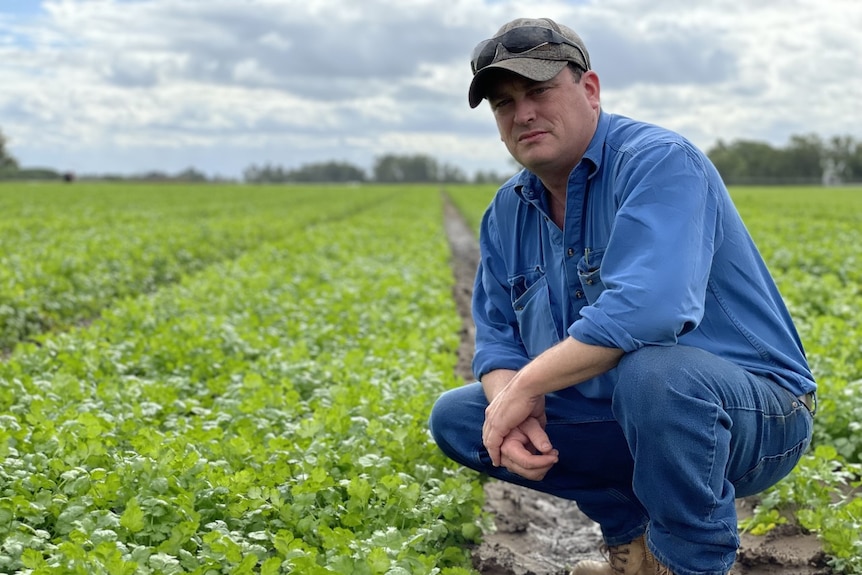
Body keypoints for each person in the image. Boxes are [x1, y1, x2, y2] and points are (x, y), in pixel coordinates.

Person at [428, 17, 816, 575]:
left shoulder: (658, 162)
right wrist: (506, 402)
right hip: (627, 412)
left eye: (538, 90)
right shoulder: (506, 212)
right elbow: (497, 339)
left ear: (589, 90)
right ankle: (631, 545)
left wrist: (528, 387)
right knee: (464, 418)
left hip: (755, 412)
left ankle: (690, 562)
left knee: (657, 375)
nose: (523, 114)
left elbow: (648, 310)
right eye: (503, 103)